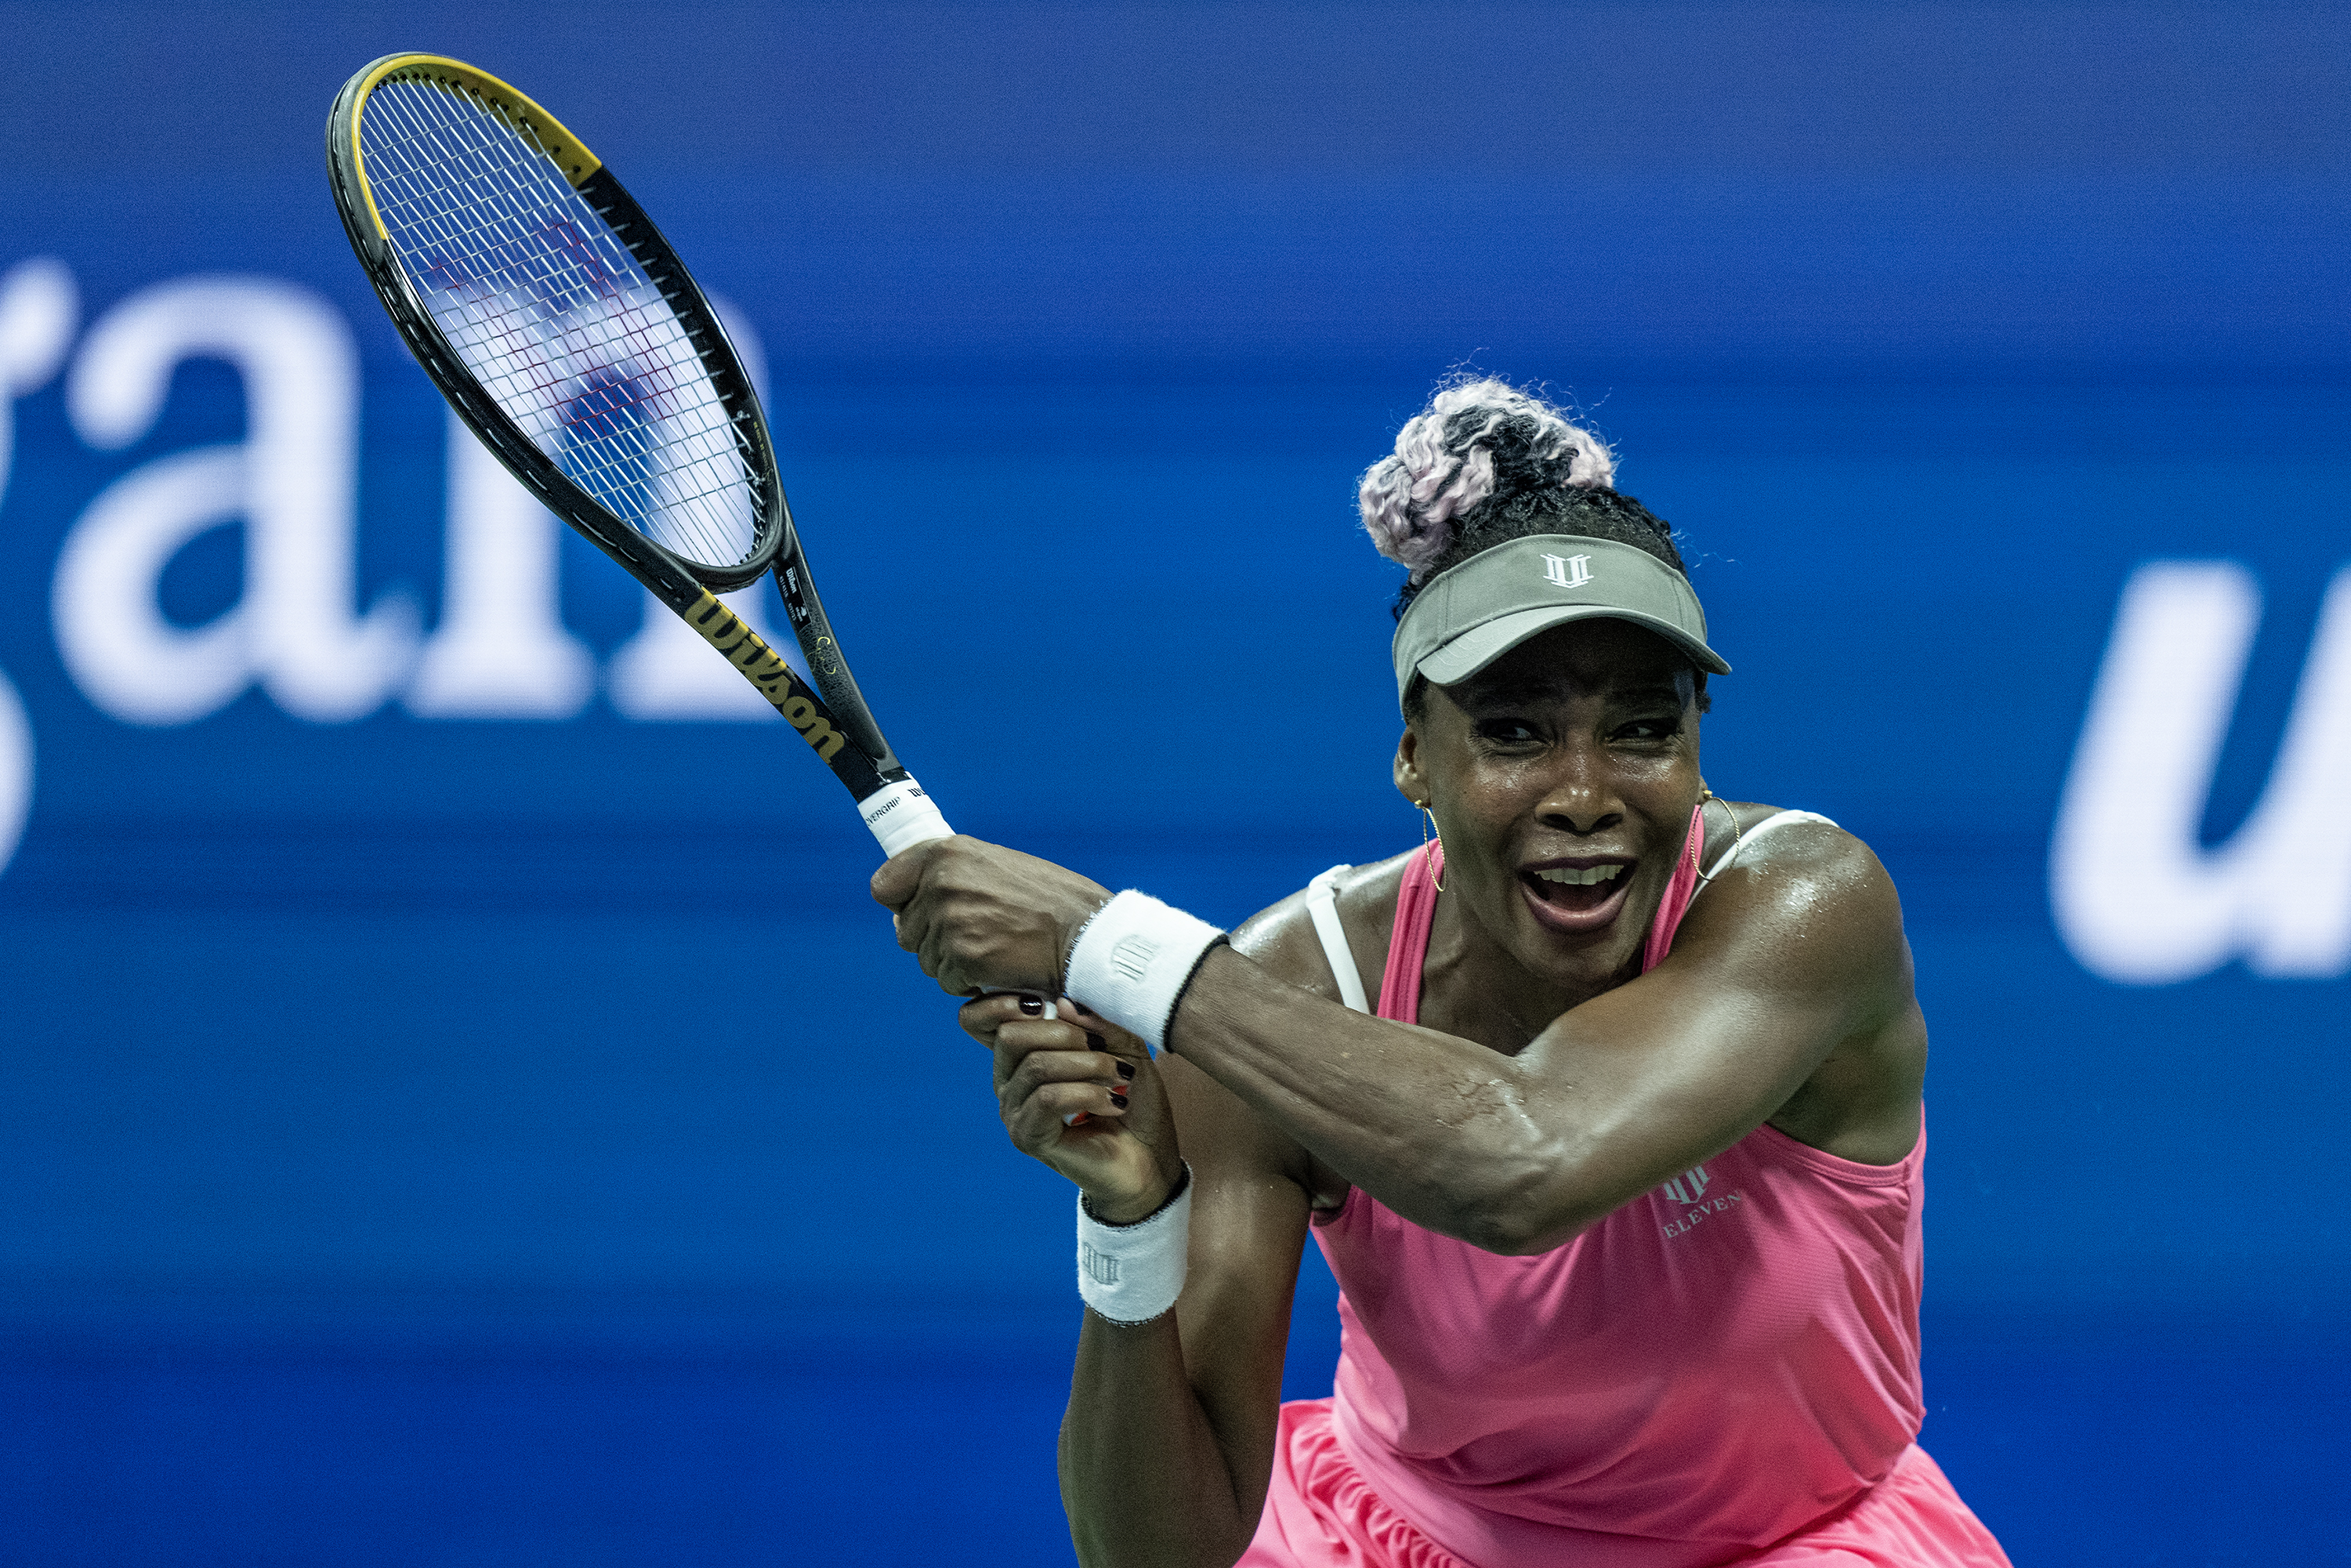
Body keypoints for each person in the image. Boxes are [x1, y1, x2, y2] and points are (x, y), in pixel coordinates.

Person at [873, 378, 2012, 1568]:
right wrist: (1129, 1219)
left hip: (1798, 1542)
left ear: (1698, 742)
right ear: (1415, 756)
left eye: (1641, 727)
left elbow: (1526, 1164)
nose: (1584, 796)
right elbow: (1159, 1552)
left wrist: (1108, 942)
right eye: (1514, 732)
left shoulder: (1803, 901)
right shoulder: (1295, 985)